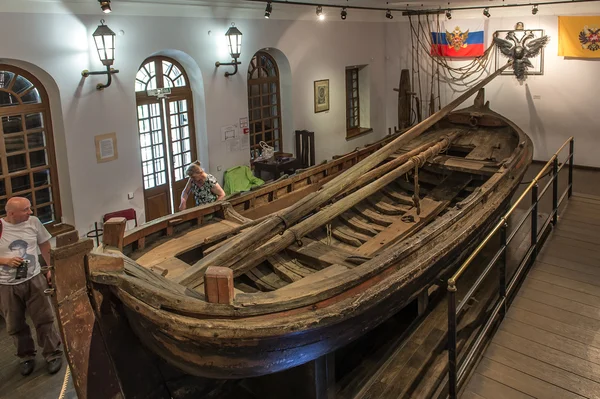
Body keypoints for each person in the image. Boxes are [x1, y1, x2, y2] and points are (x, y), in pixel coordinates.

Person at [0, 197, 62, 376]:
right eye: (26, 209)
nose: (31, 212)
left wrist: (50, 268)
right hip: (6, 284)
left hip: (34, 278)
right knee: (15, 323)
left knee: (44, 318)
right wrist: (6, 261)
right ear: (11, 213)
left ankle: (52, 353)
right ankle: (26, 356)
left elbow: (44, 244)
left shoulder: (33, 222)